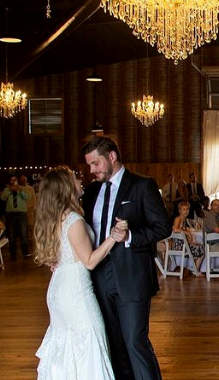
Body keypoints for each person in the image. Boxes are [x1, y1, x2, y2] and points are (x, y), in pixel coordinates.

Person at [80, 135, 170, 379]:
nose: (92, 170)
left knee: (134, 342)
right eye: (89, 165)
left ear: (112, 157)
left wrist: (130, 236)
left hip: (132, 276)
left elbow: (163, 228)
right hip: (98, 276)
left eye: (95, 164)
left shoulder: (142, 185)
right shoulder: (91, 192)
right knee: (114, 343)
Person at [33, 167, 119, 379]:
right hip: (76, 293)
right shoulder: (73, 220)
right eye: (75, 178)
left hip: (59, 286)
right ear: (66, 187)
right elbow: (89, 261)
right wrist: (114, 237)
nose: (80, 180)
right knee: (89, 340)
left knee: (68, 347)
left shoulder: (56, 218)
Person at [4, 175, 31, 260]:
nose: (13, 181)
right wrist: (10, 190)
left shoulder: (22, 188)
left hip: (21, 214)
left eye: (15, 180)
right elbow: (2, 197)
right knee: (11, 235)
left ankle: (25, 253)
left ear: (17, 181)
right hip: (10, 214)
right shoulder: (7, 189)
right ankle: (13, 255)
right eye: (11, 180)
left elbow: (28, 197)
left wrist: (19, 190)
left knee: (24, 234)